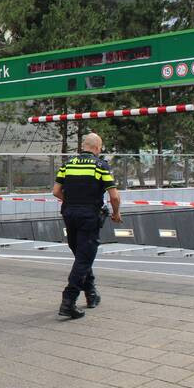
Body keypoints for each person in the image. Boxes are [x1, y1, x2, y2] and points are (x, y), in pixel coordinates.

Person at [52, 132, 122, 319]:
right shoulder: (100, 166)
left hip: (69, 214)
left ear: (83, 146)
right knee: (84, 257)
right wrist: (116, 213)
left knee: (81, 254)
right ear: (98, 148)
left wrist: (73, 202)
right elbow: (114, 196)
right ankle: (68, 300)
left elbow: (56, 191)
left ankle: (91, 294)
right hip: (89, 216)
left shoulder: (67, 164)